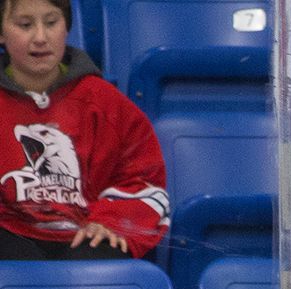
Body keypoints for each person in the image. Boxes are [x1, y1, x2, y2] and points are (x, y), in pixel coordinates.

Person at [0, 0, 168, 260]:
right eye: (25, 25)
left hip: (85, 237)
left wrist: (111, 221)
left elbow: (143, 181)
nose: (41, 37)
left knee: (99, 257)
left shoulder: (105, 102)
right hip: (9, 236)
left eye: (52, 22)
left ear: (66, 27)